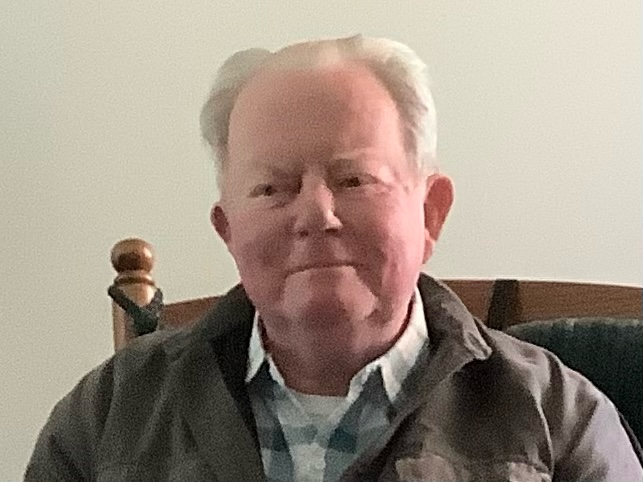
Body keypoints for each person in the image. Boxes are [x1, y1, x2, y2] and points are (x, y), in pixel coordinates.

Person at [26, 35, 643, 481]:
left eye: (354, 180)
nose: (315, 214)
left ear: (430, 213)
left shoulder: (559, 420)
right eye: (272, 188)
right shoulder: (107, 415)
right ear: (227, 230)